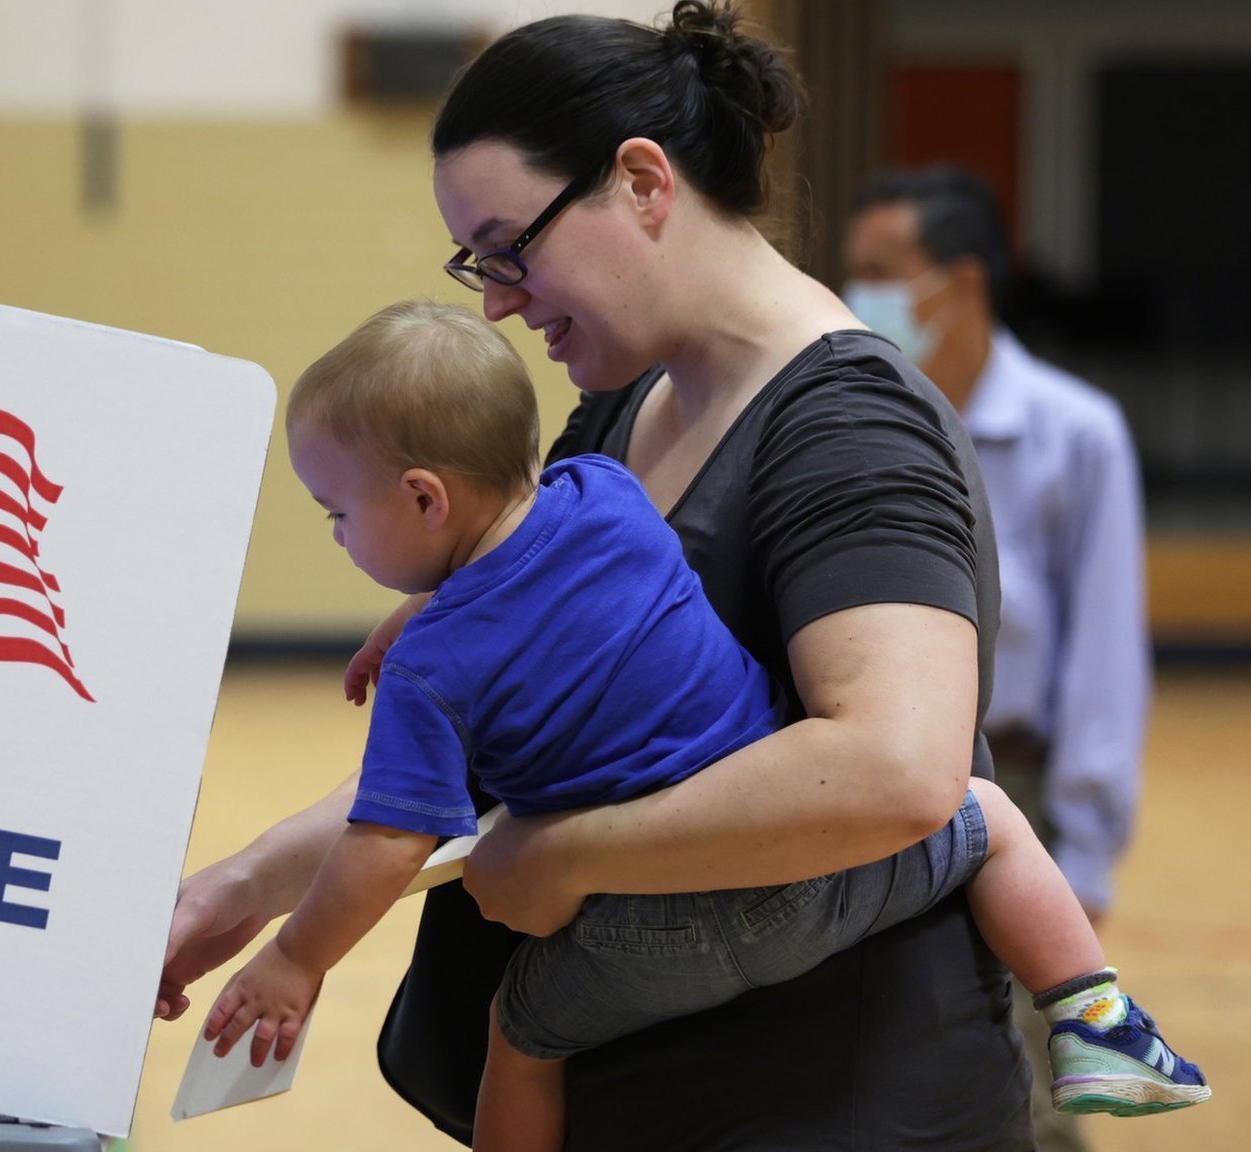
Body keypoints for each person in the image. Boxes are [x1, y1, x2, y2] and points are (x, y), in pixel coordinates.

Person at [156, 4, 1029, 1146]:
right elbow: (469, 749)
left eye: (511, 247)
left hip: (831, 1105)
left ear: (640, 183)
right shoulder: (620, 410)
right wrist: (237, 889)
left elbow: (895, 769)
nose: (497, 301)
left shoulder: (846, 425)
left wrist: (561, 852)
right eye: (476, 261)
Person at [197, 299, 1204, 1150]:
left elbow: (384, 842)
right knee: (987, 817)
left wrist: (296, 958)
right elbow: (518, 549)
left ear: (421, 498)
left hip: (657, 920)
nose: (334, 534)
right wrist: (424, 597)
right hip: (811, 859)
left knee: (523, 1024)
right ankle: (1093, 1016)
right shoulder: (602, 494)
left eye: (335, 512)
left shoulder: (429, 673)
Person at [843, 165, 1155, 1152]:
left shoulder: (1073, 435)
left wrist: (1088, 850)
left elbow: (1103, 656)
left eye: (880, 272)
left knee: (1030, 1084)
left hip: (1013, 795)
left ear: (960, 282)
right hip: (865, 788)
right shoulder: (849, 421)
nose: (861, 299)